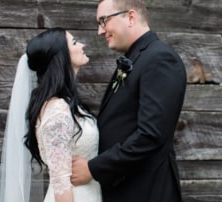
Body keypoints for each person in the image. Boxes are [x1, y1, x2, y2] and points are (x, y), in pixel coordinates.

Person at [71, 0, 187, 201]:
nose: (100, 31)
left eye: (104, 21)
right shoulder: (136, 58)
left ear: (131, 17)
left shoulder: (159, 59)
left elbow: (151, 135)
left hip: (146, 191)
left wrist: (93, 168)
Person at [0, 27, 102, 202]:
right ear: (61, 56)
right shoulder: (57, 111)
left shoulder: (67, 103)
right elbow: (61, 182)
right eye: (75, 42)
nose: (83, 45)